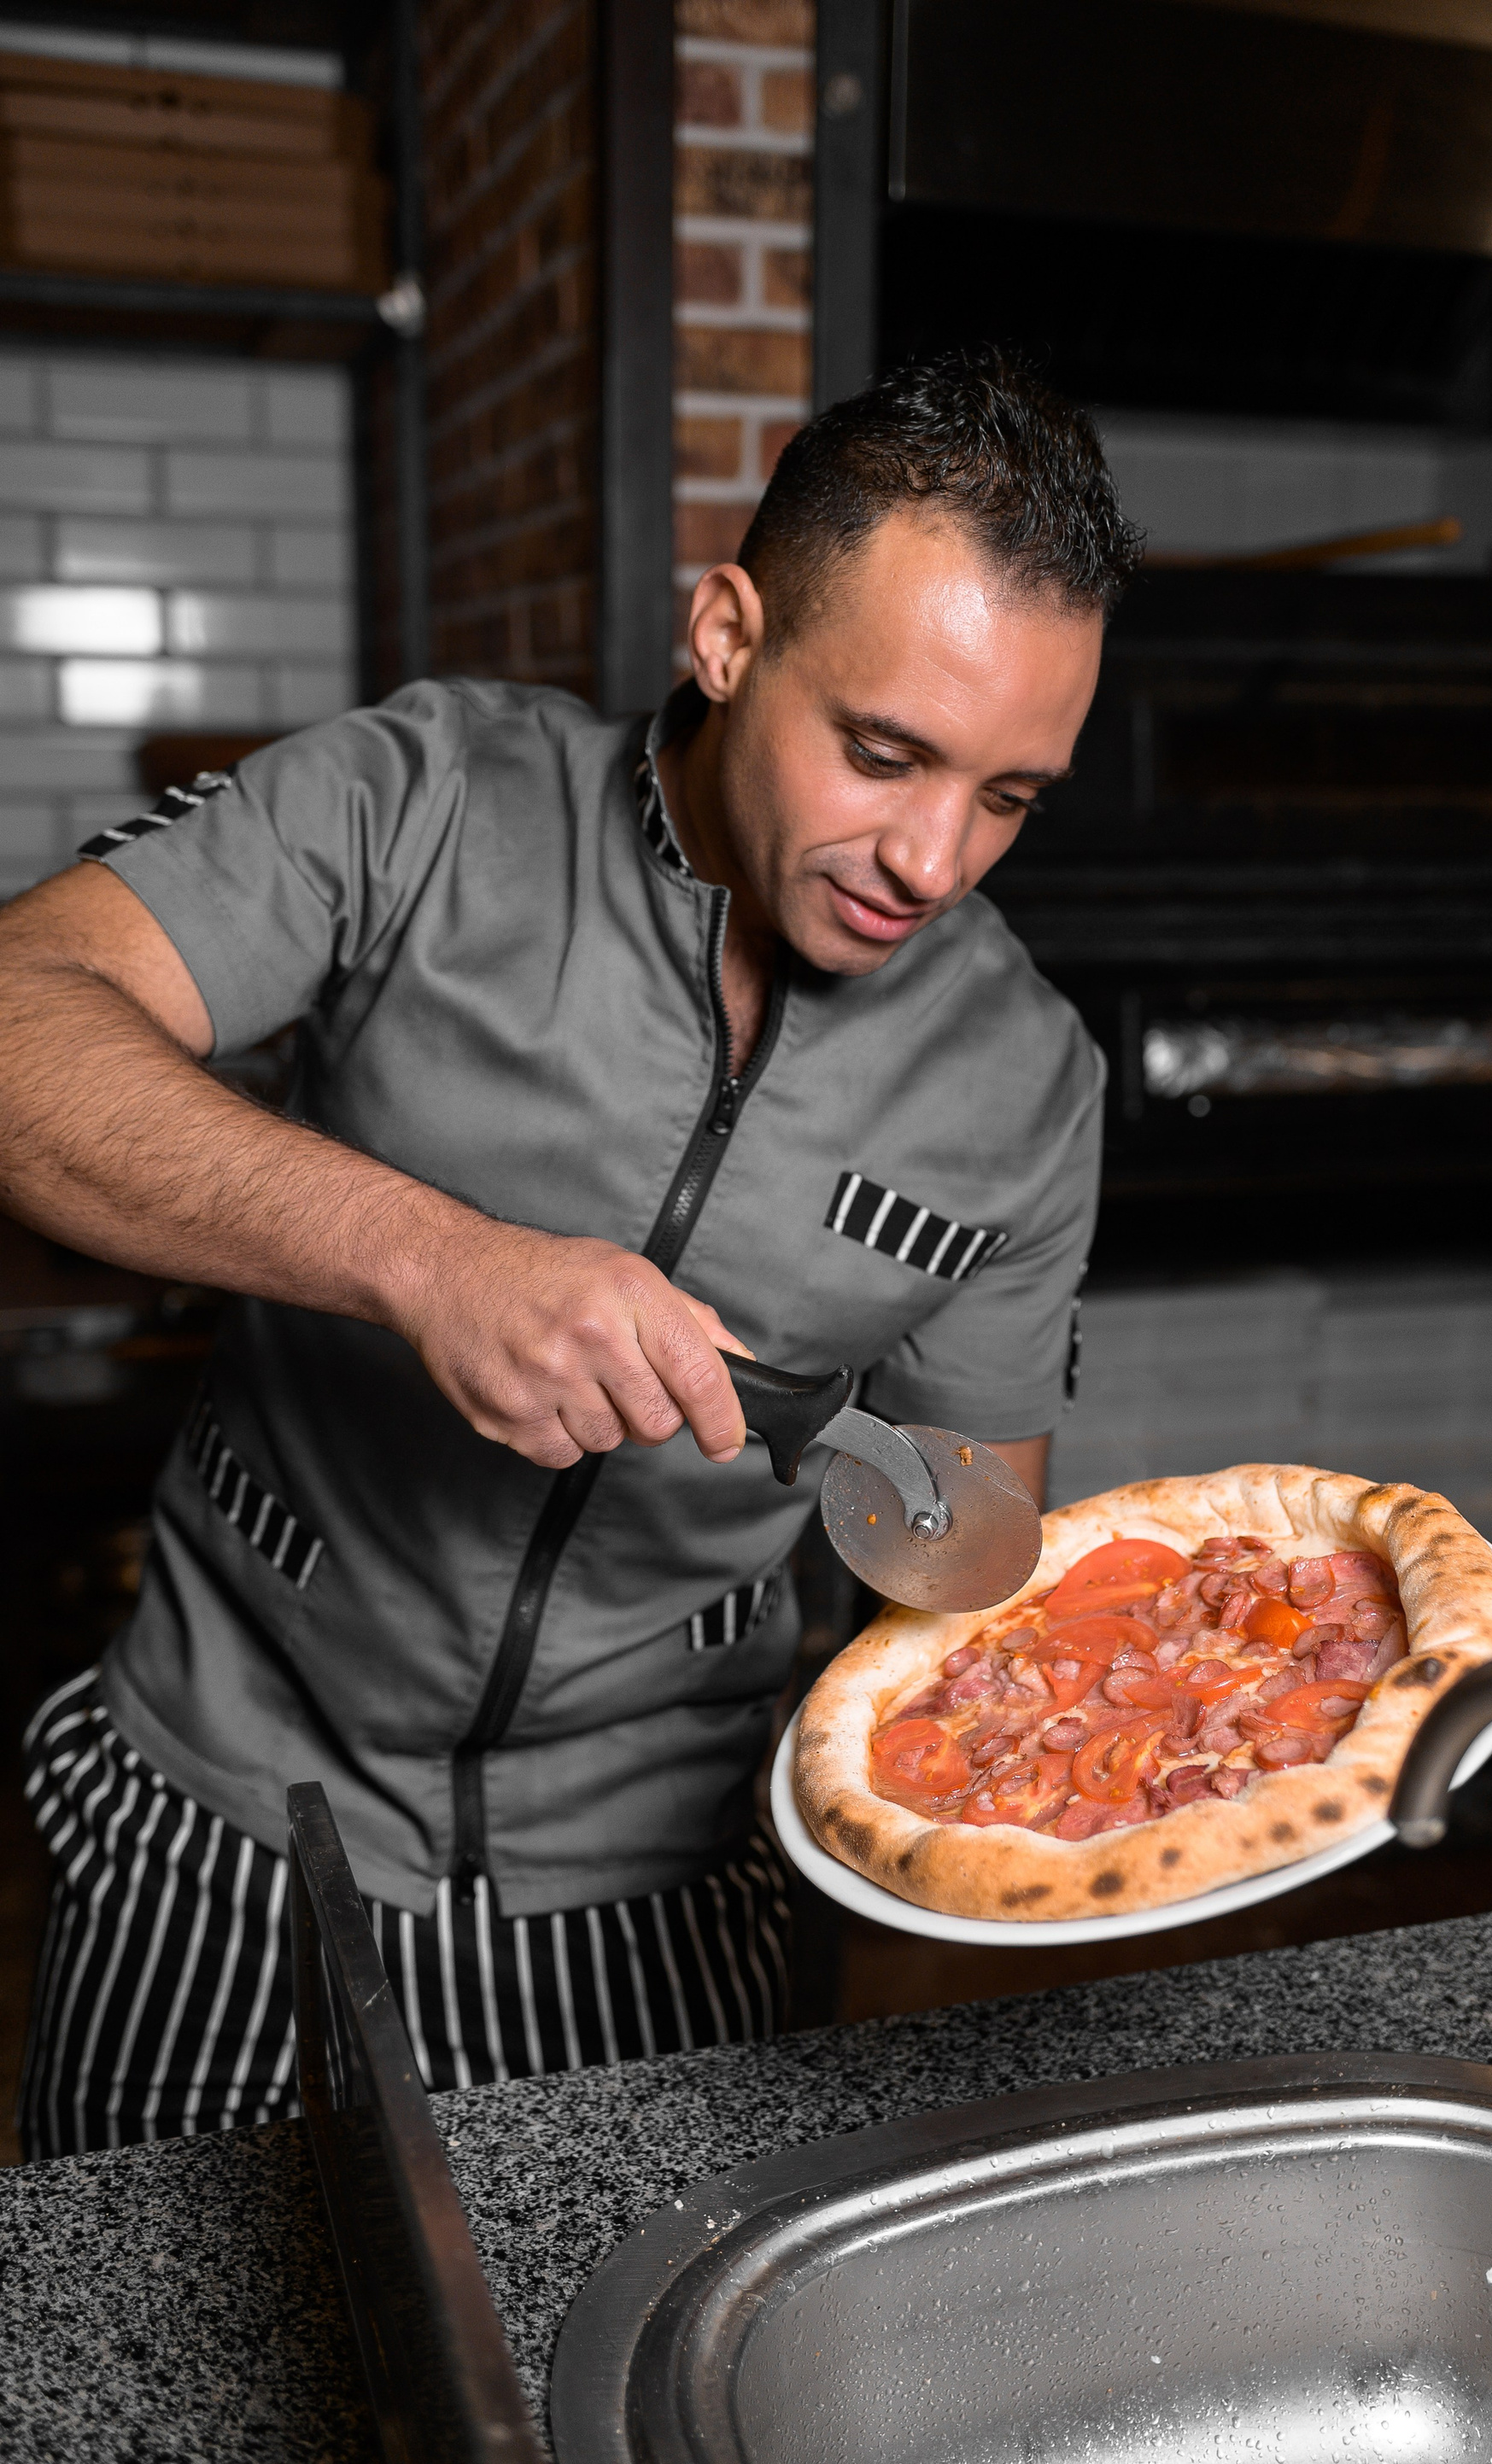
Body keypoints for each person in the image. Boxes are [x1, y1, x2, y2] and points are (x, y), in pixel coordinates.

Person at [0, 350, 1139, 2157]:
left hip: (660, 1887)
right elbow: (20, 1016)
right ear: (728, 634)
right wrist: (427, 1258)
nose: (933, 860)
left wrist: (1113, 1661)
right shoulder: (425, 799)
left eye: (1010, 796)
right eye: (883, 751)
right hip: (229, 1814)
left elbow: (961, 1576)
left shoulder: (1028, 1081)